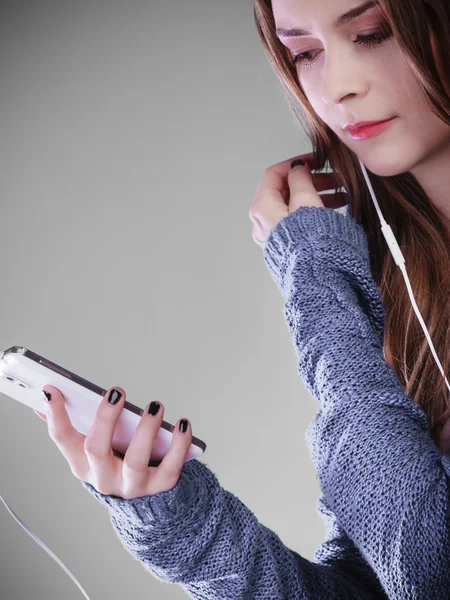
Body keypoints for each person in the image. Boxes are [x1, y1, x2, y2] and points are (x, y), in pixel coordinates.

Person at [35, 0, 450, 598]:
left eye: (372, 33)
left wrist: (314, 283)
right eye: (304, 52)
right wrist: (188, 532)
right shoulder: (401, 281)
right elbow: (376, 583)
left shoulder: (334, 276)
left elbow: (428, 571)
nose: (336, 87)